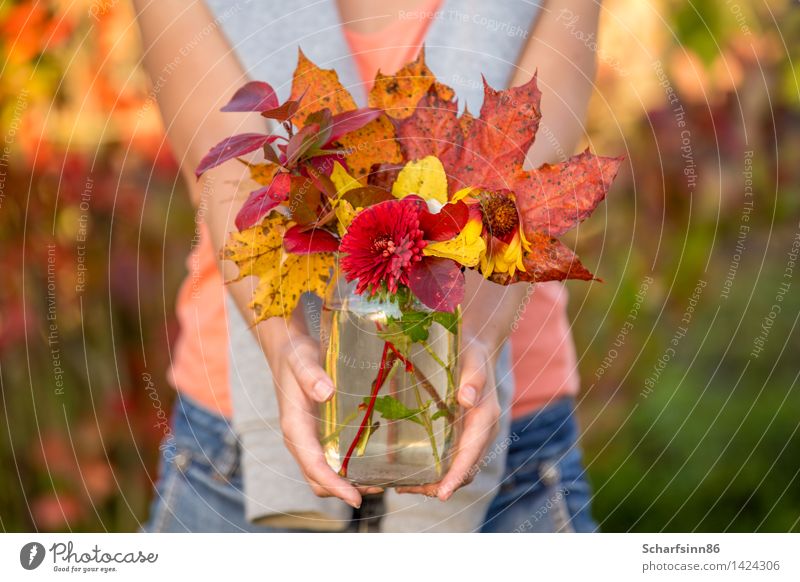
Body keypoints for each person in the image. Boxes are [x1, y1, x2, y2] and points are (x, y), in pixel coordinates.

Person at [135, 0, 600, 533]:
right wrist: (284, 344)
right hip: (237, 442)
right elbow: (228, 181)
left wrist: (474, 339)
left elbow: (520, 207)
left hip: (504, 439)